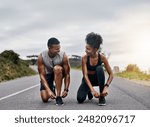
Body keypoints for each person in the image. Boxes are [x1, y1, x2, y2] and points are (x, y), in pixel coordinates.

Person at [77, 32, 113, 106]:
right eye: (85, 48)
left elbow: (111, 74)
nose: (85, 50)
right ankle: (89, 91)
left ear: (95, 49)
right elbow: (85, 76)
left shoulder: (102, 58)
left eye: (88, 49)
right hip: (87, 80)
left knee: (100, 68)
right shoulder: (84, 58)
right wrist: (92, 90)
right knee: (80, 99)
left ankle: (102, 97)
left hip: (97, 79)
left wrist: (106, 86)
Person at [38, 37, 70, 106]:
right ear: (49, 48)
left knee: (57, 68)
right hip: (48, 74)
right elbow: (42, 76)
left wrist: (66, 89)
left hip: (59, 73)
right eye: (56, 49)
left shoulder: (63, 56)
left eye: (59, 48)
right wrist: (49, 91)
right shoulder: (41, 56)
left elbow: (67, 74)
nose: (59, 50)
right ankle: (52, 88)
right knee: (45, 98)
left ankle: (58, 97)